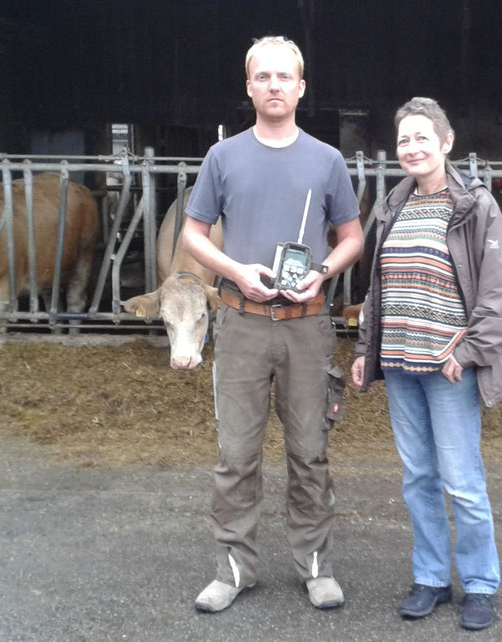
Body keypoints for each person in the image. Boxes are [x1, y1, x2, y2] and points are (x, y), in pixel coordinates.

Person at [180, 36, 363, 613]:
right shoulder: (223, 157)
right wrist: (236, 268)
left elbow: (352, 237)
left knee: (310, 452)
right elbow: (192, 233)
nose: (276, 86)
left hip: (307, 323)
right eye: (264, 77)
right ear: (250, 86)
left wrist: (323, 274)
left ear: (302, 87)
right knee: (237, 454)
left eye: (286, 77)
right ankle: (233, 569)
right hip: (242, 321)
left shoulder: (326, 160)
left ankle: (315, 566)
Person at [350, 97, 502, 631]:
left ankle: (480, 583)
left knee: (462, 480)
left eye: (424, 137)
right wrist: (364, 351)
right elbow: (377, 290)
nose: (413, 148)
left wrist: (467, 352)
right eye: (404, 140)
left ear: (447, 144)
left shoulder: (475, 207)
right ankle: (429, 577)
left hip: (449, 371)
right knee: (418, 476)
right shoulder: (391, 207)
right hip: (400, 365)